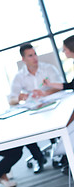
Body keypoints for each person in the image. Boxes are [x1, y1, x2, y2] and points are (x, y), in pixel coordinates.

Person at [8, 43, 63, 173]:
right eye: (30, 56)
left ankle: (60, 153)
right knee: (22, 128)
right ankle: (39, 157)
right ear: (23, 59)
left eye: (35, 54)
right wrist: (19, 98)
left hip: (51, 107)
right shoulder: (19, 76)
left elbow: (61, 87)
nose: (34, 58)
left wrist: (45, 93)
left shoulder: (49, 69)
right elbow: (12, 100)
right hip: (33, 110)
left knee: (55, 120)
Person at [43, 35, 74, 175]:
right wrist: (50, 85)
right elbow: (71, 85)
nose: (63, 51)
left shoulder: (48, 68)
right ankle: (65, 155)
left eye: (65, 49)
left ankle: (65, 154)